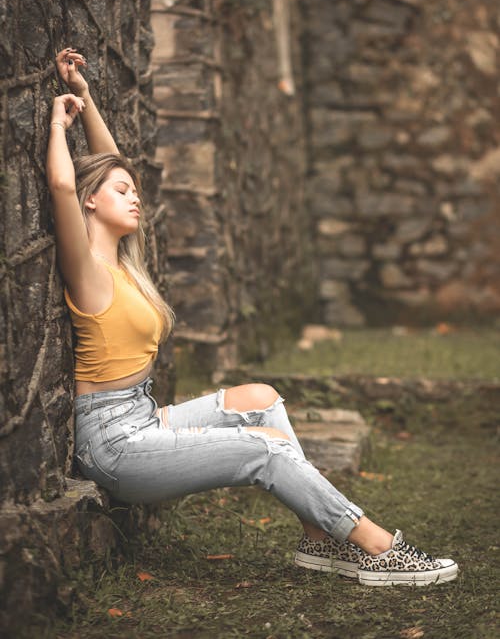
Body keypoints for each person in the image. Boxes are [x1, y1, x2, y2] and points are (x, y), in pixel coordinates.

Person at [46, 47, 458, 587]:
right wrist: (58, 119)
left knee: (260, 399)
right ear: (92, 202)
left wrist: (90, 96)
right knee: (264, 450)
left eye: (136, 191)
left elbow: (110, 161)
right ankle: (374, 545)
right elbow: (62, 185)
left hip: (142, 416)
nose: (137, 199)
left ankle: (317, 537)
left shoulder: (125, 262)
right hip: (113, 445)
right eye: (124, 192)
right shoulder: (90, 271)